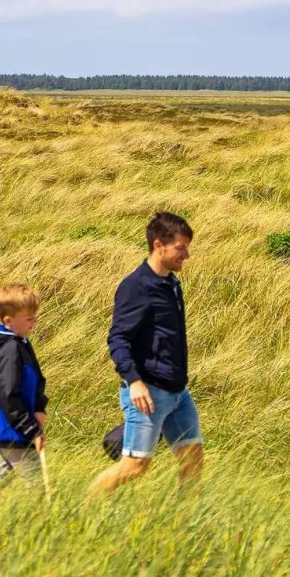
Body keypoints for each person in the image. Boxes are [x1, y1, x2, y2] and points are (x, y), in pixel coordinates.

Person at [89, 212, 202, 496]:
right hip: (148, 393)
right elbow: (118, 339)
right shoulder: (135, 287)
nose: (186, 255)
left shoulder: (172, 284)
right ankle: (86, 507)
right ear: (158, 245)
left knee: (193, 459)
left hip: (178, 392)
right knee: (135, 466)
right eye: (181, 248)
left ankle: (185, 521)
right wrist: (134, 381)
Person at [0, 284, 49, 504]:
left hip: (12, 430)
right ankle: (42, 525)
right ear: (9, 321)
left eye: (34, 317)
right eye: (28, 318)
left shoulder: (21, 343)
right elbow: (8, 395)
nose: (34, 322)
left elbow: (37, 379)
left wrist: (39, 407)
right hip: (15, 432)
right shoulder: (9, 350)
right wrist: (32, 429)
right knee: (37, 490)